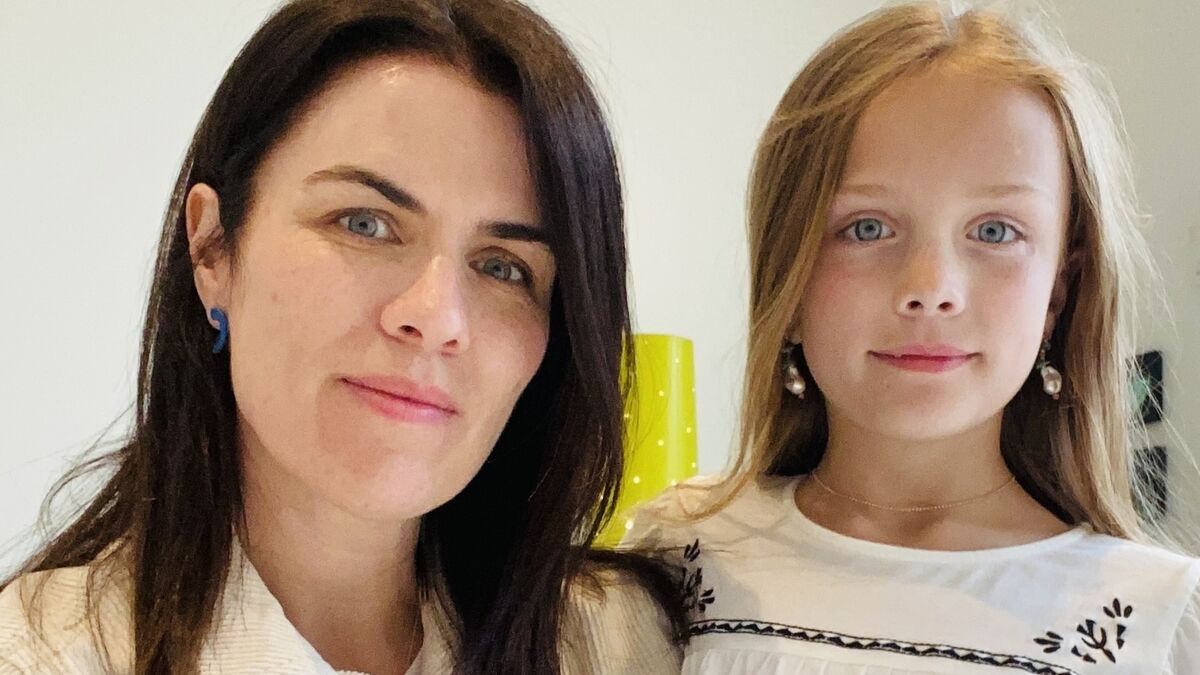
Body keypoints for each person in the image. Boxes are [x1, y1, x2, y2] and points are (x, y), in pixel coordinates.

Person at [0, 1, 684, 673]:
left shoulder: (623, 648)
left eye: (503, 266)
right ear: (212, 249)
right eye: (364, 223)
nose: (436, 317)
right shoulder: (41, 655)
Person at [629, 2, 1199, 673]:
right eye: (867, 228)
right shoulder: (676, 555)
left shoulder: (1160, 626)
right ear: (788, 275)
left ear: (1058, 293)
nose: (931, 287)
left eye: (995, 231)